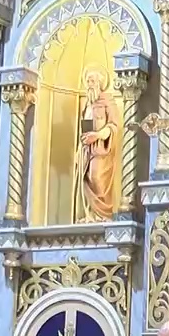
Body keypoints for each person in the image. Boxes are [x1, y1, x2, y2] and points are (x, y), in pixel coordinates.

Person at [74, 68, 120, 222]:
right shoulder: (87, 104)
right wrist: (80, 149)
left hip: (101, 150)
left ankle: (103, 214)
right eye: (87, 81)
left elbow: (114, 125)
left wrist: (98, 135)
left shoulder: (107, 101)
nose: (89, 84)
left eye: (92, 81)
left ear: (100, 83)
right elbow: (84, 128)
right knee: (86, 178)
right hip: (87, 150)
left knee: (97, 177)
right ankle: (90, 215)